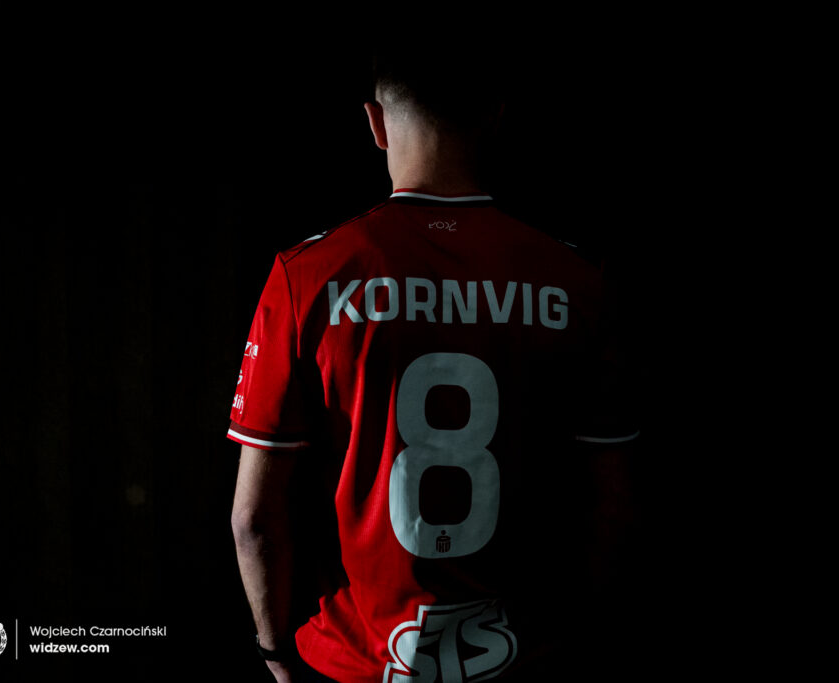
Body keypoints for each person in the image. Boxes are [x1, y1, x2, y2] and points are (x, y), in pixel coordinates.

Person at [228, 54, 640, 683]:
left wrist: (275, 655)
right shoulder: (577, 281)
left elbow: (253, 521)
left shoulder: (307, 276)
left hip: (358, 663)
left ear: (376, 124)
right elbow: (613, 507)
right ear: (494, 118)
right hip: (524, 656)